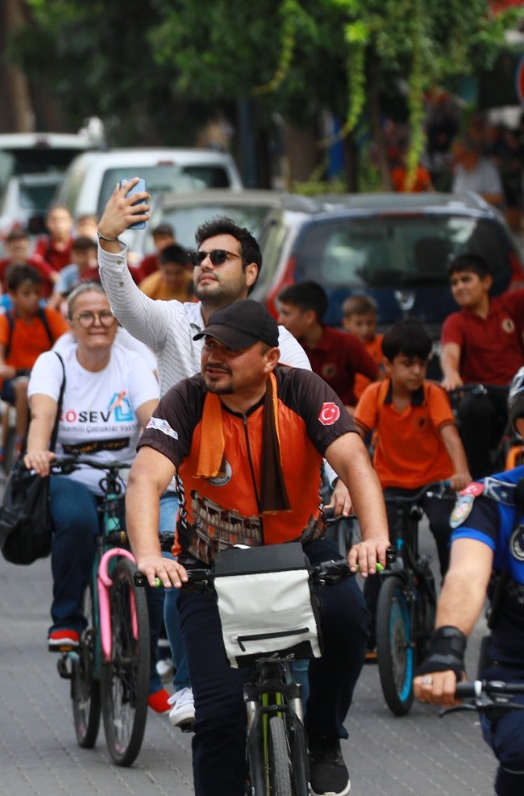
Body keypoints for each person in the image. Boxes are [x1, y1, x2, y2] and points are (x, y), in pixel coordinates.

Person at [125, 300, 389, 796]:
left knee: (352, 616)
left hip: (300, 552)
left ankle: (323, 735)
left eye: (228, 348)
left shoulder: (303, 390)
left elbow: (354, 460)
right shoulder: (186, 401)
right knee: (217, 718)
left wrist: (373, 536)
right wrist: (149, 554)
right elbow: (144, 481)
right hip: (210, 571)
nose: (212, 356)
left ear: (269, 359)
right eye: (208, 344)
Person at [97, 185, 314, 730]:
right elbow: (123, 301)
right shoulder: (171, 322)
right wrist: (108, 238)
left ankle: (305, 732)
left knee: (308, 592)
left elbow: (321, 421)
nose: (206, 265)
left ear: (252, 272)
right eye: (201, 258)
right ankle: (190, 683)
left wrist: (335, 487)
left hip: (267, 496)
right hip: (183, 488)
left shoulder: (282, 344)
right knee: (180, 563)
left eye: (221, 257)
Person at [413, 457, 524, 796]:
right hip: (516, 667)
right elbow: (465, 577)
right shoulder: (492, 499)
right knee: (521, 750)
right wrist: (446, 653)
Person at [22, 283, 160, 653]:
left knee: (152, 538)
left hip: (127, 475)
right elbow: (42, 415)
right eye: (86, 315)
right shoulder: (54, 363)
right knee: (78, 521)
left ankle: (150, 643)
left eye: (105, 314)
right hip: (71, 475)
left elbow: (152, 418)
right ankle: (67, 621)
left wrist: (166, 453)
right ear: (70, 323)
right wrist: (37, 451)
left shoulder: (132, 363)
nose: (97, 322)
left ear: (117, 322)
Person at [354, 319, 470, 583]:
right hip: (390, 483)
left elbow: (451, 438)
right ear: (388, 365)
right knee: (380, 546)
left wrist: (461, 472)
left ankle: (452, 584)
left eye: (422, 363)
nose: (417, 371)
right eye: (408, 364)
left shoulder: (433, 393)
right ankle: (374, 615)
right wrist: (349, 478)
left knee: (444, 526)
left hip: (435, 481)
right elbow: (355, 437)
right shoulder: (374, 394)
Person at [440, 253, 524, 478]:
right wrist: (451, 374)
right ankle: (481, 481)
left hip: (517, 391)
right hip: (483, 396)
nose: (459, 287)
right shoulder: (456, 322)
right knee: (473, 408)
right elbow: (449, 352)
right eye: (454, 283)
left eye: (466, 279)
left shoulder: (509, 306)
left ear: (486, 282)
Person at [0, 264, 69, 461]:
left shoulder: (49, 316)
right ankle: (20, 440)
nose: (34, 298)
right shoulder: (4, 320)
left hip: (47, 377)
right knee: (23, 387)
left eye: (37, 293)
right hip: (13, 378)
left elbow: (67, 341)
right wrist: (1, 366)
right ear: (12, 295)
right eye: (26, 293)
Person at [275, 281, 379, 406]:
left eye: (286, 313)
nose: (280, 320)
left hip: (341, 420)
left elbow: (380, 380)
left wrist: (363, 413)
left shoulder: (346, 343)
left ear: (309, 317)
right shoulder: (281, 346)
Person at [341, 293, 386, 399]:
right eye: (359, 324)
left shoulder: (385, 343)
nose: (365, 329)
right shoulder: (342, 346)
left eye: (370, 323)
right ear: (346, 323)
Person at [0, 228, 59, 296]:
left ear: (28, 247)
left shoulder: (36, 263)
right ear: (7, 248)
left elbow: (57, 279)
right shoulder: (0, 266)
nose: (19, 254)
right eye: (15, 249)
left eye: (22, 249)